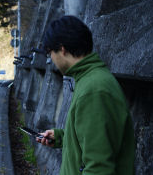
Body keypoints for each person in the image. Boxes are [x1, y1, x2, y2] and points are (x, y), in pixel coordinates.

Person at [37, 15, 135, 174]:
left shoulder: (94, 91)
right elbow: (95, 139)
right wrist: (62, 137)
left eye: (50, 54)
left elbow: (99, 168)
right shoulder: (90, 80)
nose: (52, 60)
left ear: (62, 49)